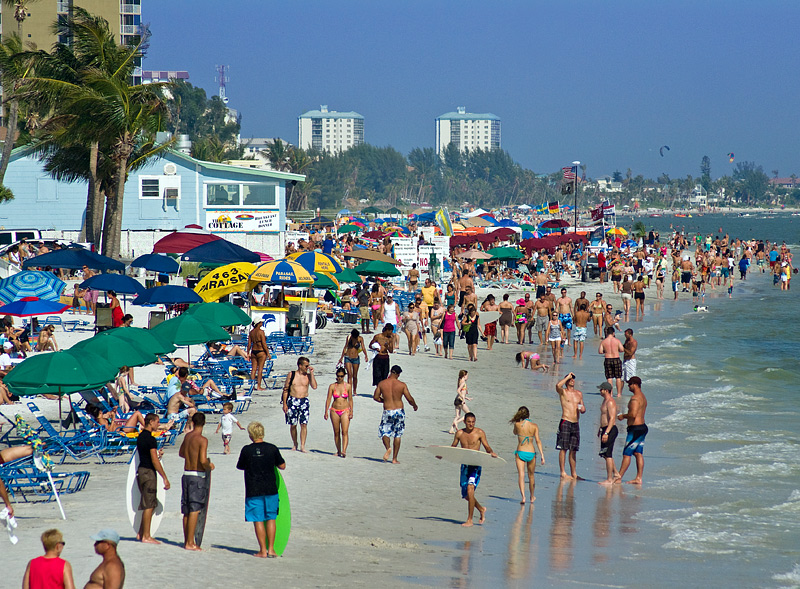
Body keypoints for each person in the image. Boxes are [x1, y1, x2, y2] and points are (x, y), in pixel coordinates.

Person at [236, 421, 286, 558]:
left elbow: (240, 466)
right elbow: (282, 466)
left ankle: (262, 550)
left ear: (251, 435)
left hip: (253, 489)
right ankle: (271, 549)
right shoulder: (272, 448)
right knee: (271, 518)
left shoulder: (246, 450)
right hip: (271, 489)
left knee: (258, 519)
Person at [451, 412, 497, 526]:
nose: (471, 424)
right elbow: (453, 447)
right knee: (466, 495)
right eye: (468, 422)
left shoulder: (479, 433)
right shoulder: (459, 433)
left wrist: (491, 452)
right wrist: (442, 454)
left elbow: (486, 446)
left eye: (473, 422)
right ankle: (481, 509)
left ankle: (470, 520)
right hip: (465, 465)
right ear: (465, 422)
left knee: (470, 490)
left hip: (475, 465)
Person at [178, 412, 214, 551]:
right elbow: (203, 460)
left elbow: (181, 453)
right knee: (195, 509)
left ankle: (187, 540)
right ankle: (190, 542)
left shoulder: (188, 436)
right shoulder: (202, 439)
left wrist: (190, 456)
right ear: (203, 423)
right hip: (197, 475)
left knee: (186, 510)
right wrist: (209, 466)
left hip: (186, 473)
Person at [135, 414, 170, 544]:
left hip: (141, 471)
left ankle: (140, 533)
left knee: (148, 502)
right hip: (148, 472)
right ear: (151, 422)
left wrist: (156, 453)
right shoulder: (150, 439)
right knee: (149, 504)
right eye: (157, 422)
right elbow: (154, 461)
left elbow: (147, 455)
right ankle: (146, 536)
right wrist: (165, 478)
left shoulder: (140, 437)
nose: (158, 425)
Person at [372, 365, 417, 463]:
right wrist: (414, 405)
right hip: (399, 411)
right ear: (398, 374)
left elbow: (375, 397)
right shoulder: (401, 385)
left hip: (388, 410)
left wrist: (384, 401)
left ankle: (388, 448)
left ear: (390, 372)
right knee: (398, 435)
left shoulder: (382, 383)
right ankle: (394, 459)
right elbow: (409, 398)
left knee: (384, 432)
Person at [616, 376, 648, 484]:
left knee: (627, 453)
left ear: (634, 384)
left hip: (635, 429)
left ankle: (618, 477)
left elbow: (633, 415)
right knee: (638, 453)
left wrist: (622, 416)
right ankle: (639, 478)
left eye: (629, 384)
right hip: (642, 427)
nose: (628, 386)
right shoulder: (643, 397)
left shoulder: (635, 399)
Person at [281, 356, 317, 453]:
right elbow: (285, 390)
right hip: (292, 400)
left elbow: (314, 386)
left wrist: (312, 373)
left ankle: (302, 445)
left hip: (304, 401)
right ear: (300, 366)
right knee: (293, 424)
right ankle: (295, 443)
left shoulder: (308, 376)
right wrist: (284, 404)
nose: (307, 368)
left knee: (304, 424)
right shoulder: (292, 374)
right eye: (306, 366)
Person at [510, 406, 545, 504]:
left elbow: (514, 433)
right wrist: (542, 455)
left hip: (520, 452)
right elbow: (538, 441)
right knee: (531, 476)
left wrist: (517, 421)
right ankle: (532, 496)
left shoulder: (517, 424)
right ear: (529, 414)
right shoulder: (534, 426)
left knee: (521, 475)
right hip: (531, 453)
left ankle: (523, 497)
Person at [555, 372, 585, 479]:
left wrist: (582, 409)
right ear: (567, 380)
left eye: (573, 379)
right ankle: (563, 472)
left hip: (575, 423)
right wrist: (567, 376)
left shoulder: (579, 393)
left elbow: (582, 408)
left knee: (574, 449)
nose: (573, 380)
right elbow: (558, 386)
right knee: (563, 448)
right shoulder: (563, 392)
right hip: (566, 421)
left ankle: (574, 473)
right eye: (571, 379)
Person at [324, 367, 353, 457]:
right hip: (334, 410)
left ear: (344, 376)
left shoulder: (348, 386)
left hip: (345, 410)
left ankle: (344, 450)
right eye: (338, 376)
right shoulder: (332, 386)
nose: (339, 378)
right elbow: (328, 399)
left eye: (341, 376)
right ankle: (338, 450)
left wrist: (351, 411)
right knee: (336, 432)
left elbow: (350, 399)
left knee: (345, 431)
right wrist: (326, 411)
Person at [597, 382, 620, 486]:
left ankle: (610, 479)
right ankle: (616, 474)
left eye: (601, 389)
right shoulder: (604, 400)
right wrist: (600, 429)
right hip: (605, 429)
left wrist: (606, 432)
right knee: (605, 454)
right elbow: (603, 416)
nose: (600, 391)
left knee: (608, 454)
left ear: (606, 390)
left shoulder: (610, 402)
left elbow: (612, 419)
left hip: (610, 429)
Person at [338, 329, 368, 396]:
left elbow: (363, 347)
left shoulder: (360, 339)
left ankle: (354, 390)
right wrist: (341, 358)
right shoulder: (349, 338)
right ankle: (349, 390)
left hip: (356, 358)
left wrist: (366, 355)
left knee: (355, 376)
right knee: (349, 375)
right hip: (348, 357)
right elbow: (345, 347)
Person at [599, 326, 625, 398]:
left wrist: (606, 351)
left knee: (609, 378)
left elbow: (600, 351)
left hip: (608, 359)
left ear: (607, 333)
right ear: (613, 333)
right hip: (616, 358)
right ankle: (619, 393)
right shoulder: (617, 341)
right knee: (618, 377)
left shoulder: (604, 341)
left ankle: (610, 393)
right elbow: (622, 349)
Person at [247, 320, 271, 390]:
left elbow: (249, 344)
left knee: (253, 369)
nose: (262, 323)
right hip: (261, 351)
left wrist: (248, 353)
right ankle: (258, 386)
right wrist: (268, 353)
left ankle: (252, 386)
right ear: (258, 323)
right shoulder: (261, 332)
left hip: (253, 351)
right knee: (260, 369)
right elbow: (264, 343)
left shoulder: (251, 332)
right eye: (261, 322)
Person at [449, 370, 471, 434]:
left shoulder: (459, 381)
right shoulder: (463, 382)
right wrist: (463, 399)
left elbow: (461, 392)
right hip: (460, 400)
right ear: (464, 376)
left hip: (457, 399)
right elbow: (458, 390)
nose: (467, 377)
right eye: (467, 376)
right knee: (468, 414)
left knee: (457, 416)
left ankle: (451, 429)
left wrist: (466, 398)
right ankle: (457, 422)